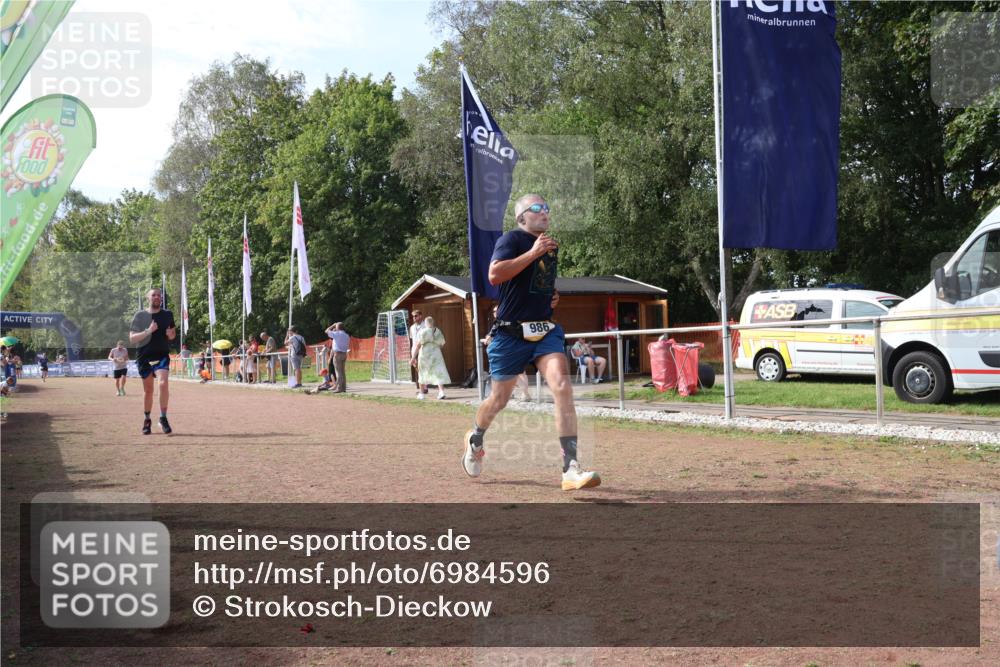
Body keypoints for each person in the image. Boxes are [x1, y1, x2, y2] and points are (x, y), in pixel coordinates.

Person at [463, 194, 600, 491]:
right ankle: (475, 437)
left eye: (547, 208)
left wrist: (552, 296)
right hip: (510, 334)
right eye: (537, 209)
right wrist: (533, 253)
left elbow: (537, 286)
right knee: (498, 400)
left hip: (544, 331)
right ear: (522, 217)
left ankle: (570, 468)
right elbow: (494, 274)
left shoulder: (549, 247)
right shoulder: (511, 239)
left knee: (562, 387)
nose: (545, 213)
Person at [128, 287, 176, 435]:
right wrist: (148, 331)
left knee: (163, 384)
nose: (157, 297)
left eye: (159, 295)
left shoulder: (167, 314)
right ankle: (147, 419)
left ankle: (163, 418)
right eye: (153, 295)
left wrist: (170, 334)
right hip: (144, 357)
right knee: (148, 391)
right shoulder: (140, 316)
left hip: (161, 355)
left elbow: (172, 334)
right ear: (148, 298)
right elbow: (132, 338)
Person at [481, 304, 531, 401]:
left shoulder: (501, 322)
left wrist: (488, 339)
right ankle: (523, 394)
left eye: (497, 311)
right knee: (518, 373)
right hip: (514, 350)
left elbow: (492, 337)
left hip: (509, 351)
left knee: (516, 373)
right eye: (494, 311)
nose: (495, 313)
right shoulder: (509, 320)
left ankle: (524, 393)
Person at [411, 316, 451, 399]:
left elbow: (418, 345)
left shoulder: (422, 332)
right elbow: (442, 343)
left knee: (422, 373)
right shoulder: (438, 331)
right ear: (433, 323)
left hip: (424, 354)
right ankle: (441, 392)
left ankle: (421, 393)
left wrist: (413, 357)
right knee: (438, 372)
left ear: (425, 323)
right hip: (436, 354)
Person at [325, 322, 350, 393]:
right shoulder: (346, 335)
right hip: (344, 354)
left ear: (338, 327)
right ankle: (343, 388)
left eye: (336, 327)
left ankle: (339, 388)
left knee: (338, 372)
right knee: (342, 372)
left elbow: (326, 331)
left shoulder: (337, 334)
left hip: (337, 354)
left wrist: (333, 325)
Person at [408, 309, 428, 395]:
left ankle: (425, 387)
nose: (414, 318)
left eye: (416, 316)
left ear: (420, 316)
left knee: (424, 368)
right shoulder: (412, 327)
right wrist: (412, 351)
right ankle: (423, 387)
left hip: (424, 349)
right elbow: (413, 340)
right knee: (417, 368)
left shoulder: (426, 326)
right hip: (414, 350)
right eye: (413, 316)